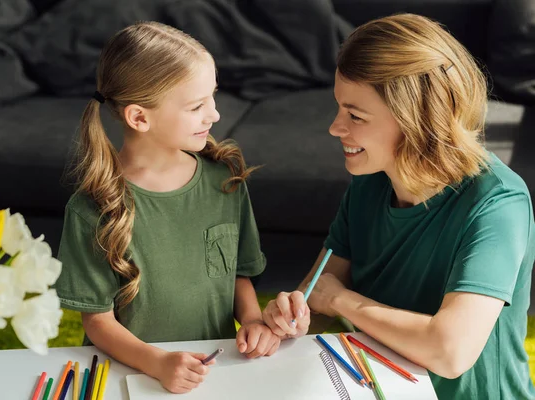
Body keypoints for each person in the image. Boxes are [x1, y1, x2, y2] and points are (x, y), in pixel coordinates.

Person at [262, 13, 535, 399]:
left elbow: (450, 351)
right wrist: (293, 313)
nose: (335, 127)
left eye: (355, 115)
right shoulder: (371, 180)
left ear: (417, 121)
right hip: (377, 386)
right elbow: (317, 289)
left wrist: (341, 300)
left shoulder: (497, 203)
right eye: (340, 108)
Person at [54, 22, 280, 394]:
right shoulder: (92, 209)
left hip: (215, 371)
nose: (215, 115)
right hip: (130, 377)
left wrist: (253, 320)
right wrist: (157, 363)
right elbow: (97, 322)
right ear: (139, 117)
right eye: (196, 106)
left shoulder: (225, 181)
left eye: (213, 97)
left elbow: (238, 272)